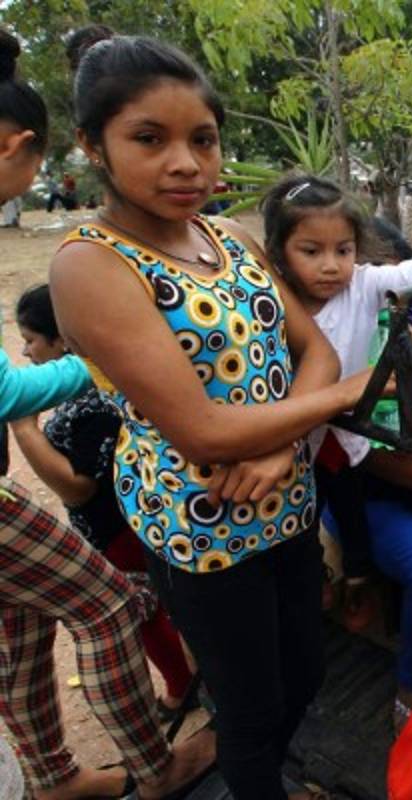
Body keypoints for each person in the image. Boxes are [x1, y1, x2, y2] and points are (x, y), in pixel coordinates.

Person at [51, 35, 385, 798]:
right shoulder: (91, 264)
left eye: (202, 139)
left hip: (285, 499)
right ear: (91, 145)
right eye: (149, 138)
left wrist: (286, 442)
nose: (185, 163)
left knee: (305, 672)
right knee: (248, 707)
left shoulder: (227, 236)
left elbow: (315, 352)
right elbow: (200, 429)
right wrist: (334, 404)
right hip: (201, 525)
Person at [0, 30, 215, 800]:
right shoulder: (90, 260)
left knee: (22, 629)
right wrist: (104, 356)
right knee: (110, 606)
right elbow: (4, 391)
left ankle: (54, 777)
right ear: (18, 148)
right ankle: (157, 772)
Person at [258, 173, 412, 634]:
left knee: (349, 503)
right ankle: (310, 582)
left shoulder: (365, 285)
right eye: (311, 251)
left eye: (344, 249)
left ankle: (358, 577)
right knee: (299, 517)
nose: (332, 265)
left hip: (351, 438)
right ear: (279, 253)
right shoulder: (271, 302)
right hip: (297, 440)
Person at [12, 285, 197, 722]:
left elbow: (76, 489)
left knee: (143, 610)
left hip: (119, 530)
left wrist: (24, 428)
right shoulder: (90, 389)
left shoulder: (89, 403)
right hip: (127, 521)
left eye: (32, 339)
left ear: (63, 342)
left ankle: (180, 687)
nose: (24, 350)